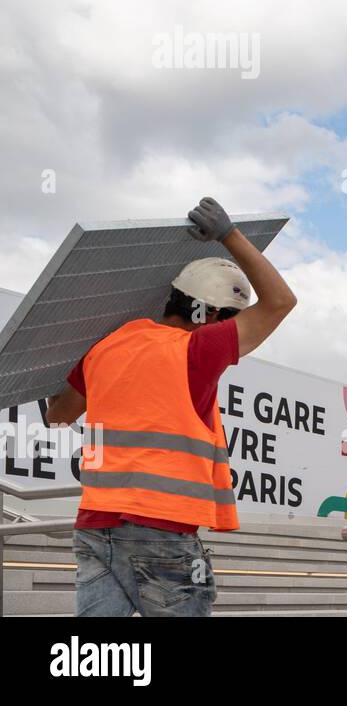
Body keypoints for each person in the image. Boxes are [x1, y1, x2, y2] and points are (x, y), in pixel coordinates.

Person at [43, 197, 297, 616]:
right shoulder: (199, 348)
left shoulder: (108, 346)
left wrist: (49, 365)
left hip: (95, 525)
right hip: (161, 530)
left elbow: (59, 415)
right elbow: (280, 302)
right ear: (211, 312)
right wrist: (229, 235)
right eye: (228, 319)